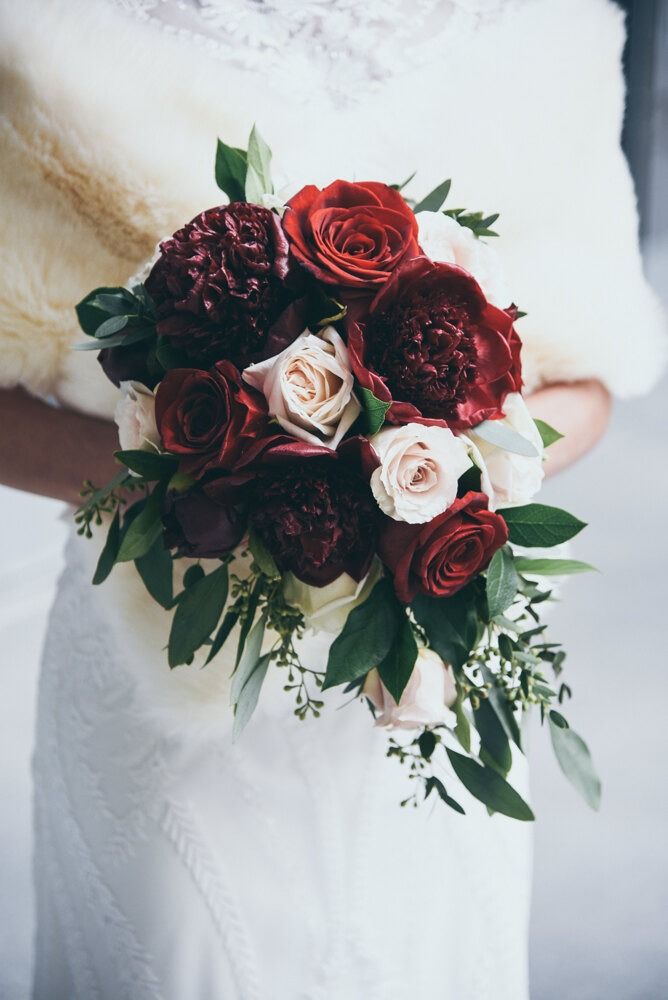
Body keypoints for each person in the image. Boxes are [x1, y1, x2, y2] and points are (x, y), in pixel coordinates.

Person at [0, 1, 665, 997]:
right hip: (171, 675)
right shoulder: (52, 35)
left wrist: (429, 476)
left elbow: (589, 380)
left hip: (422, 670)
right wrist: (208, 476)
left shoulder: (544, 32)